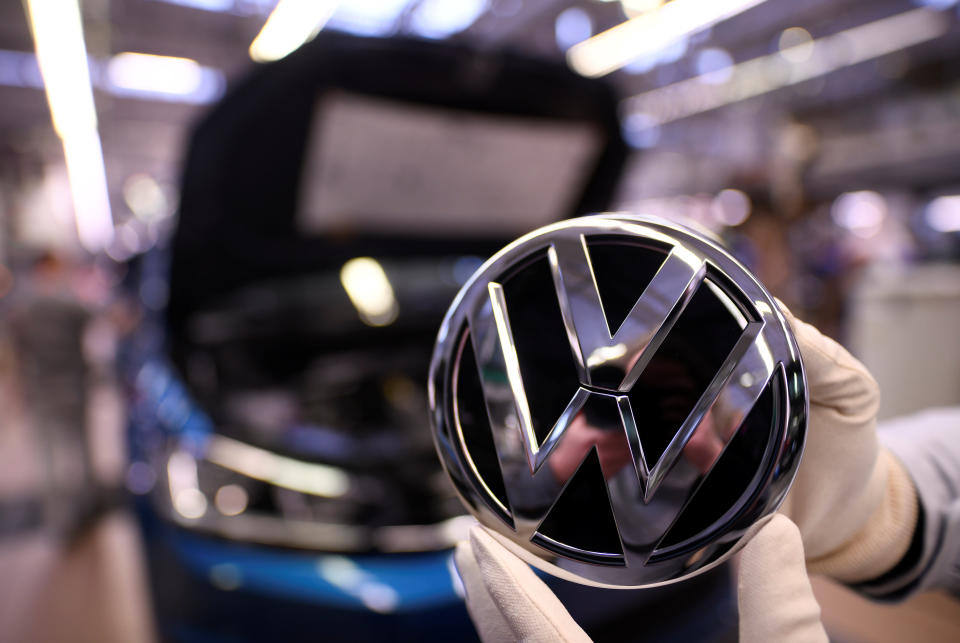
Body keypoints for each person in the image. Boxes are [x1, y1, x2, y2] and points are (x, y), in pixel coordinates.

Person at [453, 306, 960, 642]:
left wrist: (718, 461)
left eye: (671, 401)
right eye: (627, 393)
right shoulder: (580, 444)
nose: (643, 414)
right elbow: (523, 512)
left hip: (701, 605)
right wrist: (563, 468)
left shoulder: (728, 461)